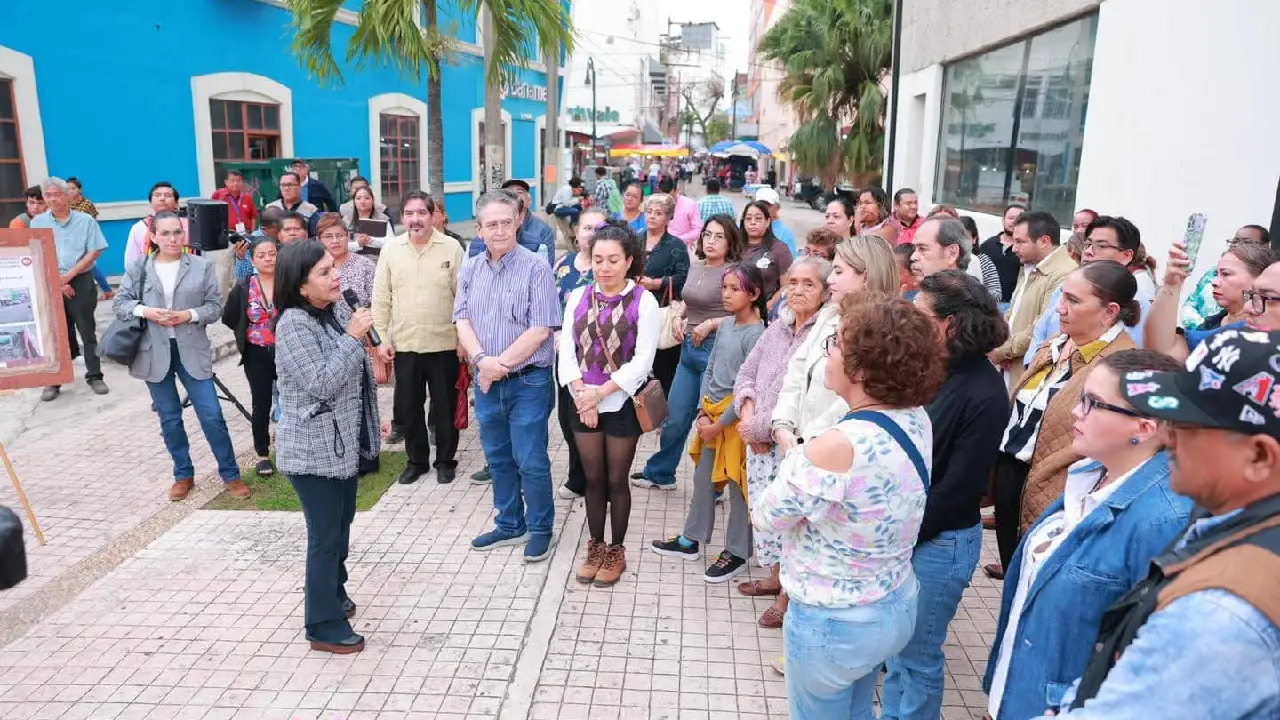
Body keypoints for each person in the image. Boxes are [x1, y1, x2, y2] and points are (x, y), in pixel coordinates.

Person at [1046, 330, 1280, 719]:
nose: (1167, 436)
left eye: (1186, 425)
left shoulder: (1220, 613)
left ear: (1258, 457)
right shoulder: (1228, 524)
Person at [755, 293, 945, 719]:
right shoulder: (915, 416)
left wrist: (793, 455)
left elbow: (767, 515)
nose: (827, 351)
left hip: (834, 622)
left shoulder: (836, 446)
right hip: (893, 602)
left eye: (836, 343)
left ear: (860, 368)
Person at [983, 349, 1192, 720]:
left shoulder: (1162, 522)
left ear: (1143, 428)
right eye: (1082, 398)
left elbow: (1155, 661)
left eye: (1094, 403)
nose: (1076, 412)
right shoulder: (1090, 475)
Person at [881, 271, 1011, 720]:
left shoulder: (985, 391)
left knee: (918, 657)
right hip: (913, 530)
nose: (911, 322)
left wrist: (899, 535)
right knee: (899, 651)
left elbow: (959, 490)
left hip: (939, 540)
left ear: (950, 324)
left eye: (921, 315)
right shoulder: (933, 370)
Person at [989, 261, 1140, 579]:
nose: (1060, 308)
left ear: (1109, 312)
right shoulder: (1057, 343)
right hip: (1012, 473)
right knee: (1013, 574)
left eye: (1073, 300)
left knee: (1039, 577)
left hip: (1059, 488)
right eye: (1062, 297)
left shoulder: (1119, 363)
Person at [273, 240, 380, 654]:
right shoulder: (294, 325)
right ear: (301, 287)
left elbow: (351, 369)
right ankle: (322, 624)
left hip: (342, 442)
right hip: (312, 450)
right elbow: (320, 381)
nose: (336, 276)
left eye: (333, 266)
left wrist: (371, 347)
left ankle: (334, 592)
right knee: (324, 537)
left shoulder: (333, 309)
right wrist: (355, 340)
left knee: (341, 525)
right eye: (323, 272)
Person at [454, 191, 561, 562]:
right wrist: (482, 361)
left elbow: (541, 329)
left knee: (530, 458)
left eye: (505, 222)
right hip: (486, 381)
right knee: (498, 457)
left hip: (528, 381)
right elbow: (462, 319)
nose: (499, 230)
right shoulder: (470, 268)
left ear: (518, 221)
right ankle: (509, 523)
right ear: (479, 230)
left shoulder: (536, 268)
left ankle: (540, 527)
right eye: (491, 224)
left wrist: (496, 365)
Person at [113, 211, 243, 500]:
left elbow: (214, 307)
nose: (173, 239)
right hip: (153, 352)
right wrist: (145, 311)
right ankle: (183, 474)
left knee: (212, 415)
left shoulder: (200, 266)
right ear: (154, 236)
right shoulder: (140, 267)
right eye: (166, 233)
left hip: (191, 349)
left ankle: (231, 474)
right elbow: (120, 304)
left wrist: (188, 315)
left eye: (178, 232)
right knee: (169, 418)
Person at [651, 264, 768, 582]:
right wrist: (704, 410)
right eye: (724, 288)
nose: (726, 295)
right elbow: (713, 369)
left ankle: (738, 551)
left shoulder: (758, 335)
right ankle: (692, 538)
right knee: (704, 479)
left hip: (735, 421)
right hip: (712, 416)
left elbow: (748, 390)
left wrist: (721, 423)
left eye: (734, 289)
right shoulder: (726, 324)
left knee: (737, 486)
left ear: (754, 294)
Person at [560, 223, 660, 587]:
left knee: (617, 479)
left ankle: (616, 549)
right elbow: (567, 350)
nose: (604, 267)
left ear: (629, 260)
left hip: (619, 403)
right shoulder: (578, 297)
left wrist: (600, 395)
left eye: (613, 260)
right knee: (594, 479)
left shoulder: (643, 301)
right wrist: (580, 394)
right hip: (581, 399)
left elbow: (643, 360)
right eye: (598, 259)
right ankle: (596, 545)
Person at [733, 255, 828, 627]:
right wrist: (748, 419)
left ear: (824, 292)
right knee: (765, 512)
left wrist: (763, 429)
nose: (799, 290)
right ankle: (775, 577)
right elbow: (747, 374)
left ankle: (789, 595)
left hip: (789, 445)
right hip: (756, 441)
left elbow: (801, 395)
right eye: (794, 283)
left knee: (792, 520)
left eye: (810, 284)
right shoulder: (776, 328)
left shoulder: (823, 334)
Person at [631, 214, 740, 491]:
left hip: (717, 352)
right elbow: (687, 300)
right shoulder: (697, 266)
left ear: (730, 241)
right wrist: (681, 314)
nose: (711, 241)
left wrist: (711, 323)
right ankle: (661, 473)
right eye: (707, 234)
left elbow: (750, 317)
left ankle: (712, 487)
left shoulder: (735, 272)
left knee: (709, 420)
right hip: (689, 351)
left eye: (719, 236)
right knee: (675, 416)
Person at [771, 236, 900, 449]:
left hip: (835, 450)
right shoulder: (829, 315)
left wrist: (807, 441)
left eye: (838, 272)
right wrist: (783, 425)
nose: (829, 279)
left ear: (866, 277)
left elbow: (857, 399)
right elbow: (797, 370)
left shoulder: (885, 333)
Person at [373, 191, 466, 485]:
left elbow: (464, 299)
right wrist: (381, 340)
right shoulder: (391, 249)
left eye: (421, 213)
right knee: (410, 408)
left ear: (433, 216)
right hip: (405, 345)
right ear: (402, 218)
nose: (415, 219)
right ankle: (416, 461)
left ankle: (445, 461)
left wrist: (464, 340)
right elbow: (381, 297)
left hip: (444, 345)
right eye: (410, 214)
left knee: (445, 408)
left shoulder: (451, 248)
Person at [1025, 216, 1156, 365]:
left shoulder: (1135, 302)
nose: (1088, 251)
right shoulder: (1065, 287)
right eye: (1087, 244)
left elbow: (1122, 357)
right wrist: (1034, 366)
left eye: (1100, 246)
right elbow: (1040, 331)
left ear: (1126, 256)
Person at [31, 177, 110, 400]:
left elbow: (94, 252)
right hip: (50, 281)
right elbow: (37, 253)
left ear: (67, 196)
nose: (53, 199)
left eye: (57, 194)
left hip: (81, 281)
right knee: (55, 333)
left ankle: (95, 375)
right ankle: (54, 381)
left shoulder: (85, 221)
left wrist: (69, 276)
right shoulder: (38, 222)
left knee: (87, 329)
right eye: (48, 196)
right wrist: (58, 281)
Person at [553, 207, 611, 500]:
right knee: (568, 417)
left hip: (601, 358)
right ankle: (578, 477)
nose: (591, 233)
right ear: (576, 232)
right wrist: (555, 334)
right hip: (565, 356)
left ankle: (598, 478)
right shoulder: (562, 265)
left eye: (599, 227)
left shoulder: (609, 269)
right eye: (586, 227)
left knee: (598, 417)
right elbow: (549, 306)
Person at [988, 210, 1077, 388]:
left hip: (1029, 375)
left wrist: (1002, 352)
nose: (1014, 248)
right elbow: (1013, 312)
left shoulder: (1064, 274)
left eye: (1020, 242)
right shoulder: (1030, 265)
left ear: (1044, 241)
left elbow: (1042, 327)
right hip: (1011, 367)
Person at [1148, 241, 1274, 362]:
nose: (1214, 282)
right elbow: (1164, 352)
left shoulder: (1264, 330)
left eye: (1225, 274)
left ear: (1259, 279)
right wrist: (1171, 285)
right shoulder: (1209, 325)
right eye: (1216, 274)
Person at [222, 236, 280, 477]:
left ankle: (296, 446)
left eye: (272, 253)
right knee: (261, 402)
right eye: (261, 255)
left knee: (295, 399)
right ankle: (263, 454)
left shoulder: (290, 282)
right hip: (257, 353)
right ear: (252, 259)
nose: (267, 258)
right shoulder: (245, 286)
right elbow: (229, 317)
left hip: (289, 350)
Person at [636, 193, 690, 396]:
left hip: (663, 311)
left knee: (664, 367)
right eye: (649, 212)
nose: (652, 216)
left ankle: (664, 413)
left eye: (658, 213)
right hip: (635, 309)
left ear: (668, 218)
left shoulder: (676, 245)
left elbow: (683, 278)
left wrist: (655, 283)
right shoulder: (634, 239)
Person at [1178, 224, 1270, 329]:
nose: (1238, 246)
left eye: (1247, 242)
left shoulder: (1264, 325)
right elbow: (1189, 306)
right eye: (1235, 242)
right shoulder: (1211, 275)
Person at [910, 216, 1003, 300]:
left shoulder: (970, 309)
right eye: (914, 249)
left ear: (952, 253)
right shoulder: (918, 302)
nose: (913, 257)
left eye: (922, 248)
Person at [467, 183, 556, 266]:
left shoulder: (541, 235)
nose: (500, 232)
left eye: (506, 223)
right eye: (492, 225)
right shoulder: (474, 247)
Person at [740, 200, 795, 310]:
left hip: (764, 312)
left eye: (758, 218)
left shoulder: (779, 249)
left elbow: (787, 285)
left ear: (768, 222)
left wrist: (768, 307)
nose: (753, 222)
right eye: (748, 218)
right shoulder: (735, 247)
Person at [125, 182, 188, 267]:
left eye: (168, 195)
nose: (162, 198)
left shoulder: (188, 226)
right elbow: (131, 262)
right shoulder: (140, 227)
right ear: (150, 202)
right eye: (157, 195)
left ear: (176, 202)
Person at [979, 202, 1027, 303]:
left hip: (1015, 304)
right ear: (1003, 220)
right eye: (1011, 218)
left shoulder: (1028, 249)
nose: (1014, 222)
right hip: (989, 304)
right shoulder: (988, 245)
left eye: (1020, 219)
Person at [959, 215, 1006, 300]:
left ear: (974, 239)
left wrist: (976, 293)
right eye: (957, 237)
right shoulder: (946, 258)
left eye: (965, 237)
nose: (961, 242)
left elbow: (997, 293)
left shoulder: (983, 261)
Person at [345, 185, 395, 256]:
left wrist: (371, 240)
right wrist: (357, 244)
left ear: (373, 200)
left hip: (378, 259)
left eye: (367, 198)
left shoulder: (383, 219)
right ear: (354, 201)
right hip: (353, 260)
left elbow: (391, 242)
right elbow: (341, 245)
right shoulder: (346, 220)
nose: (362, 201)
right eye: (358, 198)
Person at [267, 172, 321, 236]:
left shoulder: (310, 210)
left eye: (290, 185)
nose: (286, 188)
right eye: (283, 185)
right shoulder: (270, 208)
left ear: (300, 187)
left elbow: (315, 237)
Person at [236, 209, 282, 282]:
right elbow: (243, 278)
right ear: (264, 229)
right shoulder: (251, 243)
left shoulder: (282, 239)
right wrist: (241, 258)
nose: (281, 234)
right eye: (277, 232)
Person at [211, 169, 258, 236]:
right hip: (225, 234)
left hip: (245, 234)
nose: (235, 183)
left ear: (242, 182)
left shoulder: (248, 198)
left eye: (238, 181)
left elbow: (253, 216)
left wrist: (252, 233)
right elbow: (211, 214)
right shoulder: (218, 195)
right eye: (232, 181)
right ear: (226, 182)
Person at [753, 187, 798, 256]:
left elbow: (790, 262)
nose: (762, 208)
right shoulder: (743, 227)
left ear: (777, 207)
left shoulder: (785, 234)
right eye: (759, 204)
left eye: (767, 204)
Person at [659, 177, 702, 247]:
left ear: (677, 191)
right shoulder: (656, 204)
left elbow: (698, 230)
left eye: (670, 196)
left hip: (682, 248)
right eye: (662, 196)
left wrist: (678, 240)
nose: (666, 200)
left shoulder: (689, 204)